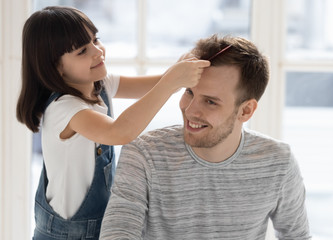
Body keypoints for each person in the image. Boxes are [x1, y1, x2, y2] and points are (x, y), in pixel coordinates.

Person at [16, 6, 210, 240]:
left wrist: (179, 71)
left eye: (95, 40)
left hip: (101, 226)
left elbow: (155, 85)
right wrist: (171, 82)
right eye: (82, 51)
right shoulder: (64, 108)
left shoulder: (100, 83)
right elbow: (119, 132)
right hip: (64, 235)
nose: (98, 52)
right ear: (55, 67)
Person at [100, 34, 311, 240]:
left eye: (210, 102)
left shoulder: (278, 162)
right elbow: (118, 233)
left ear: (246, 111)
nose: (191, 110)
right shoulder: (143, 154)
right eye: (189, 92)